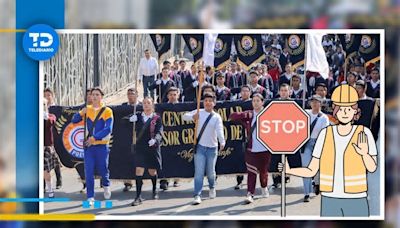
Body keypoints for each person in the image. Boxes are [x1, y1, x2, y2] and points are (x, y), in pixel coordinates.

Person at [279, 84, 378, 217]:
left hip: (356, 197)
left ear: (355, 111)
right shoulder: (317, 124)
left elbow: (372, 168)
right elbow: (310, 169)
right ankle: (307, 192)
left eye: (348, 108)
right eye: (339, 107)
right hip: (331, 198)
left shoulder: (362, 133)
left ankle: (317, 183)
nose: (343, 111)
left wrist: (364, 154)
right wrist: (288, 170)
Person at [71, 87, 113, 205]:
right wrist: (81, 113)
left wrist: (94, 138)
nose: (94, 97)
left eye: (97, 95)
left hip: (101, 145)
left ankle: (106, 184)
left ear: (101, 96)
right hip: (89, 147)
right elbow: (74, 120)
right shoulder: (87, 109)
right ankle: (90, 196)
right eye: (92, 95)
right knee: (88, 171)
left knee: (103, 169)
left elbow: (108, 129)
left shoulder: (107, 111)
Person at [183, 93, 225, 205]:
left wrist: (222, 141)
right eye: (206, 100)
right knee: (199, 172)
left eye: (210, 101)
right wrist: (192, 117)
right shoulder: (199, 112)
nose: (208, 103)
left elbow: (219, 130)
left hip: (212, 148)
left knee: (211, 172)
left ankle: (212, 187)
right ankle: (197, 194)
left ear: (214, 103)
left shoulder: (216, 116)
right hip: (200, 147)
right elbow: (184, 116)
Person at [230, 93, 271, 203]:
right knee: (251, 172)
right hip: (251, 149)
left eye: (258, 100)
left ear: (262, 102)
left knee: (263, 172)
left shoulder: (268, 114)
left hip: (265, 149)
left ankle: (264, 187)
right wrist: (245, 115)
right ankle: (250, 193)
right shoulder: (249, 114)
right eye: (254, 101)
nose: (256, 103)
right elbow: (232, 116)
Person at [129, 97, 163, 206]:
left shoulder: (156, 118)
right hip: (140, 147)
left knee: (152, 171)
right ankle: (138, 196)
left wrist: (155, 140)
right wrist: (129, 119)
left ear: (152, 105)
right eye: (144, 103)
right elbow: (123, 121)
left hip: (152, 147)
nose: (146, 105)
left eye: (148, 103)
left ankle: (154, 189)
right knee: (139, 170)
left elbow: (159, 132)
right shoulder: (138, 116)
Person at [301, 95, 329, 202]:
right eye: (312, 101)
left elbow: (324, 132)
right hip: (307, 143)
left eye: (317, 102)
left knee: (317, 168)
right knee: (306, 168)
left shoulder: (324, 118)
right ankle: (306, 193)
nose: (314, 104)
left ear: (320, 103)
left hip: (318, 143)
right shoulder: (305, 113)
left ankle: (317, 183)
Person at [159, 87, 181, 190]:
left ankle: (176, 178)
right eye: (170, 95)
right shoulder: (162, 107)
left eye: (174, 94)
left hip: (179, 137)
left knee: (178, 157)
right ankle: (164, 180)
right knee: (165, 158)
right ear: (167, 96)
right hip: (166, 137)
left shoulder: (183, 106)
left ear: (178, 95)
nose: (172, 96)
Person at [121, 88, 142, 192]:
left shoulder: (142, 106)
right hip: (127, 136)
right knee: (127, 159)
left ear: (137, 95)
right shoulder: (123, 106)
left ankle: (141, 180)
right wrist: (129, 119)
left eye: (132, 94)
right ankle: (128, 182)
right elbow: (120, 119)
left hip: (140, 136)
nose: (130, 96)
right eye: (128, 94)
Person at [43, 88, 62, 189]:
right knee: (43, 164)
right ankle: (43, 186)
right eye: (45, 95)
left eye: (48, 95)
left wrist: (46, 116)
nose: (47, 97)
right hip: (44, 142)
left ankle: (59, 179)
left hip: (55, 138)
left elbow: (52, 120)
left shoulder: (54, 110)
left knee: (55, 161)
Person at [43, 97, 58, 198]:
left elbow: (52, 121)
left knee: (46, 171)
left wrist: (45, 117)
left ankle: (50, 189)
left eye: (43, 104)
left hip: (46, 148)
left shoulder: (50, 116)